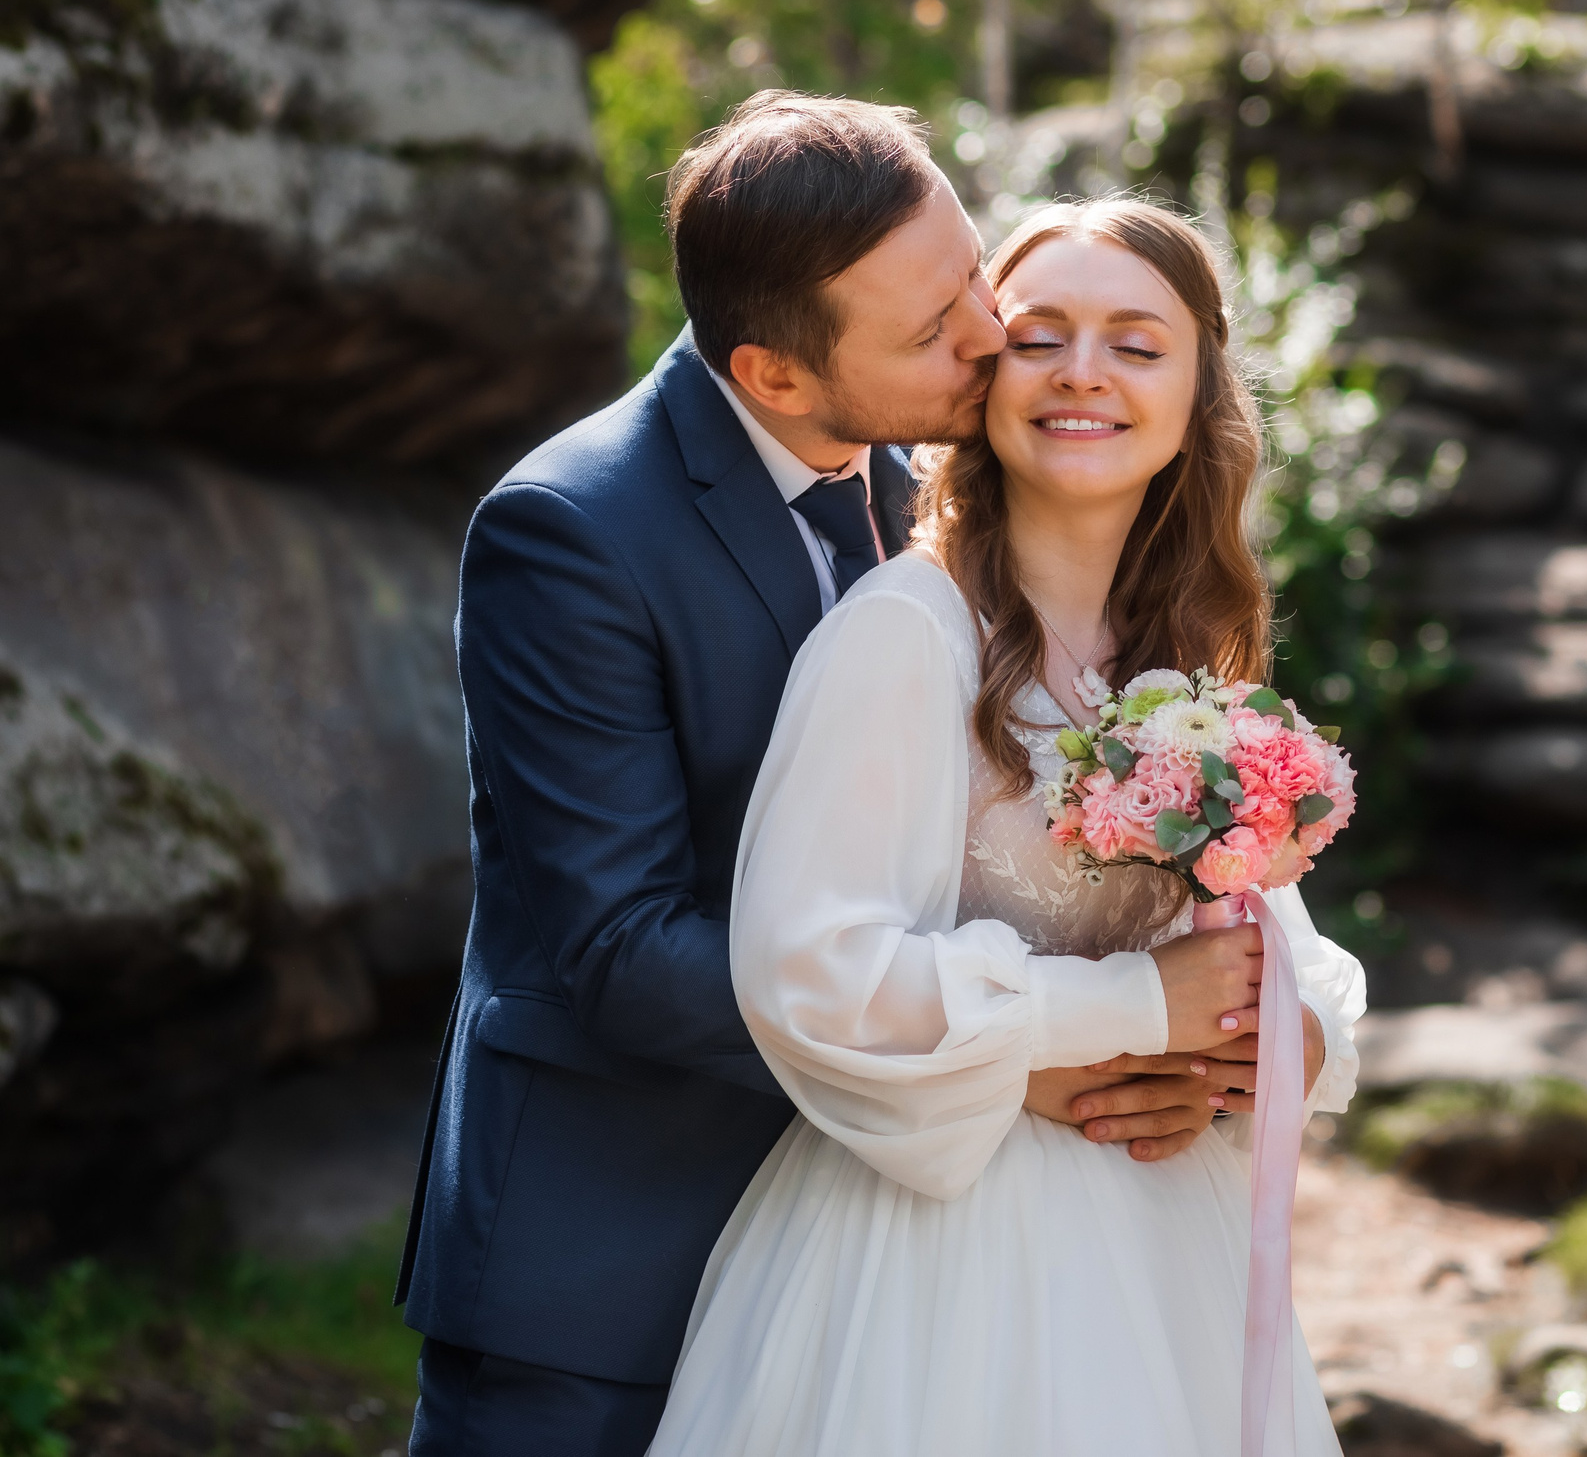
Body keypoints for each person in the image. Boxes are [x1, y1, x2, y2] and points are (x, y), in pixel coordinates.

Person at [396, 96, 1269, 1456]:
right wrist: (1017, 1054)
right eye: (933, 329)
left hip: (909, 1240)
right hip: (617, 1228)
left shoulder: (948, 482)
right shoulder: (571, 535)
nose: (988, 333)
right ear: (778, 375)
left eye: (970, 273)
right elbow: (623, 945)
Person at [648, 197, 1368, 1457]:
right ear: (984, 373)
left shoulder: (1184, 661)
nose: (1083, 372)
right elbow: (809, 970)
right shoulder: (904, 633)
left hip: (1167, 1249)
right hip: (944, 1259)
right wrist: (1132, 1009)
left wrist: (1267, 1046)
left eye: (1135, 345)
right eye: (1039, 338)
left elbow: (1277, 949)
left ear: (1199, 393)